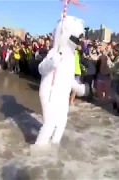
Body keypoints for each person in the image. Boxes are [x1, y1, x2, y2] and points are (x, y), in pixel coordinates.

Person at [34, 15, 84, 146]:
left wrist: (78, 88)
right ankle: (38, 151)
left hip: (63, 92)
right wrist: (52, 63)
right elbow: (41, 69)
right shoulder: (54, 52)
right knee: (49, 123)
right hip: (49, 91)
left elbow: (68, 77)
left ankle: (54, 148)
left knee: (62, 122)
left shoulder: (72, 57)